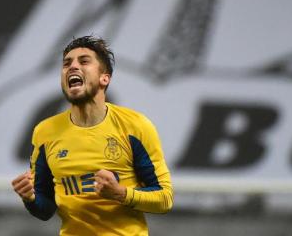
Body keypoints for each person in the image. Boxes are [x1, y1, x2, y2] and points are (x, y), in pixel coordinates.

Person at [12, 35, 173, 235]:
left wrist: (120, 193)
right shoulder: (45, 132)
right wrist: (29, 198)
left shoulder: (135, 126)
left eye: (84, 61)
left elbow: (164, 199)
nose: (72, 67)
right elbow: (45, 209)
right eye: (66, 64)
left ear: (104, 78)